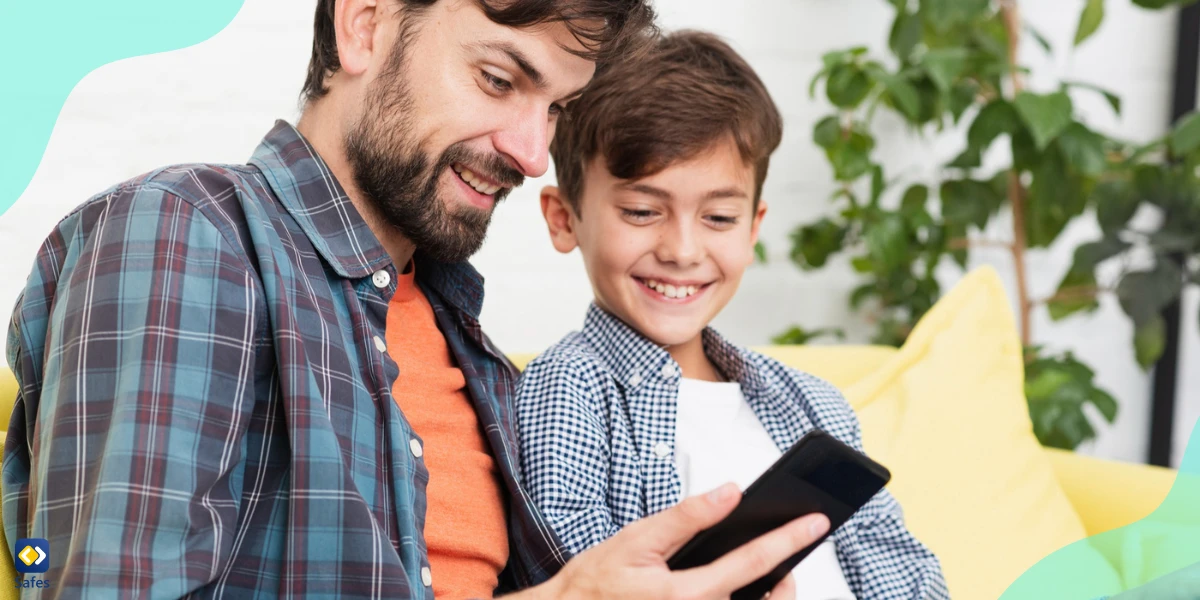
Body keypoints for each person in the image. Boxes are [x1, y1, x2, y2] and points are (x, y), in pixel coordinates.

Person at [2, 1, 832, 597]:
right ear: (365, 22)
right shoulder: (187, 233)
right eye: (500, 78)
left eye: (559, 111)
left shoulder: (468, 346)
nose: (533, 152)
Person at [517, 30, 950, 599]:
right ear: (564, 219)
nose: (683, 250)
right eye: (643, 211)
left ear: (753, 228)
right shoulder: (567, 389)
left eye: (719, 218)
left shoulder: (816, 405)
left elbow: (905, 574)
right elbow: (581, 579)